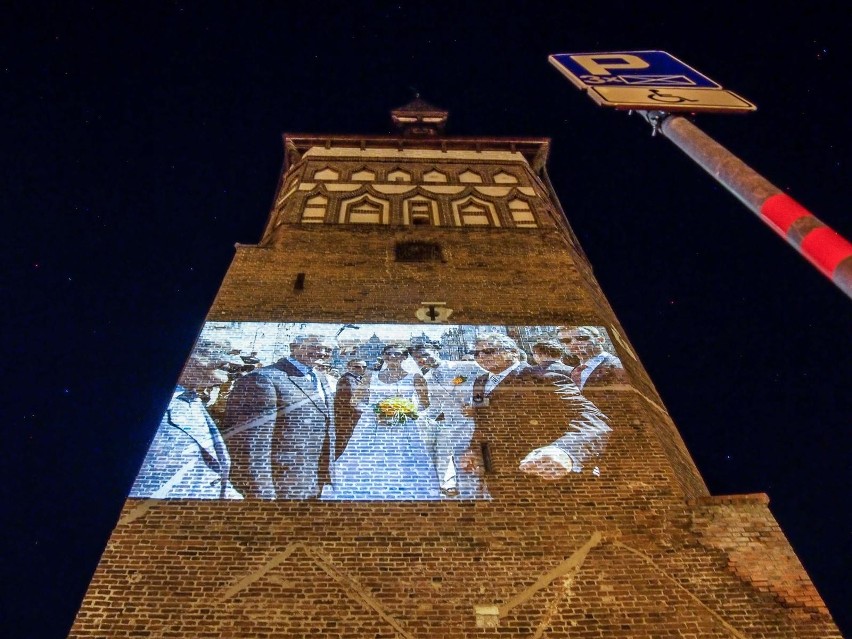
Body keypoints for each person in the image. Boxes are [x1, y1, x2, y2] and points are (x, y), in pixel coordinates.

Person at [458, 333, 611, 498]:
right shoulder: (480, 381)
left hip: (542, 477)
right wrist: (473, 450)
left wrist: (565, 451)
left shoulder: (542, 377)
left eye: (489, 351)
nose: (481, 356)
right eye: (476, 353)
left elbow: (592, 419)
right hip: (498, 479)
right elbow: (482, 420)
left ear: (513, 352)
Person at [223, 334, 336, 499]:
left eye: (328, 350)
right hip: (280, 482)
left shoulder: (320, 378)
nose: (322, 353)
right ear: (293, 347)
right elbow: (251, 443)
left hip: (313, 480)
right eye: (315, 346)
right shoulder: (263, 378)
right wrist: (262, 491)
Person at [130, 338, 243, 499]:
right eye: (224, 351)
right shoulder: (144, 403)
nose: (236, 363)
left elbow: (210, 475)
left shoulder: (191, 401)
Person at [330, 344, 438, 500]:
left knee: (403, 460)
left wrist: (405, 411)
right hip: (373, 425)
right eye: (388, 353)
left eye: (397, 354)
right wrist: (376, 412)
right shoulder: (370, 376)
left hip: (403, 426)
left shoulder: (416, 378)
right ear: (383, 356)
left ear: (404, 357)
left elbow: (425, 403)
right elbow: (355, 401)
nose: (392, 357)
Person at [409, 340, 480, 497]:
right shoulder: (428, 379)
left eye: (425, 355)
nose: (422, 360)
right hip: (451, 424)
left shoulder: (465, 367)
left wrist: (479, 405)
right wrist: (414, 417)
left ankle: (476, 493)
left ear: (436, 352)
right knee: (457, 459)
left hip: (474, 421)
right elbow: (434, 407)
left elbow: (487, 384)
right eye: (417, 358)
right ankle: (463, 493)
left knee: (474, 459)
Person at [556, 326, 627, 390]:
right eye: (566, 341)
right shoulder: (575, 370)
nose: (573, 343)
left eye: (581, 338)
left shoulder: (617, 366)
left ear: (600, 340)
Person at [333, 359, 368, 460]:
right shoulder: (348, 379)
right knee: (342, 444)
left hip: (352, 416)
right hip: (347, 418)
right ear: (349, 367)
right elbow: (353, 399)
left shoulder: (357, 379)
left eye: (364, 367)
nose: (361, 369)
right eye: (357, 366)